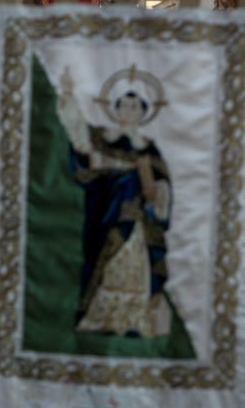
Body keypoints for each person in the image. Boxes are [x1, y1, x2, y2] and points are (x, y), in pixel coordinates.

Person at [58, 66, 193, 356]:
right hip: (109, 215)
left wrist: (158, 194)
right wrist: (69, 97)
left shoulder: (149, 148)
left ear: (143, 112)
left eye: (136, 106)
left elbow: (163, 182)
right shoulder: (107, 139)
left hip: (141, 220)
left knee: (137, 268)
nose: (130, 110)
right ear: (116, 109)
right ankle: (104, 319)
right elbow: (82, 145)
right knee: (108, 265)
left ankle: (134, 319)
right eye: (125, 105)